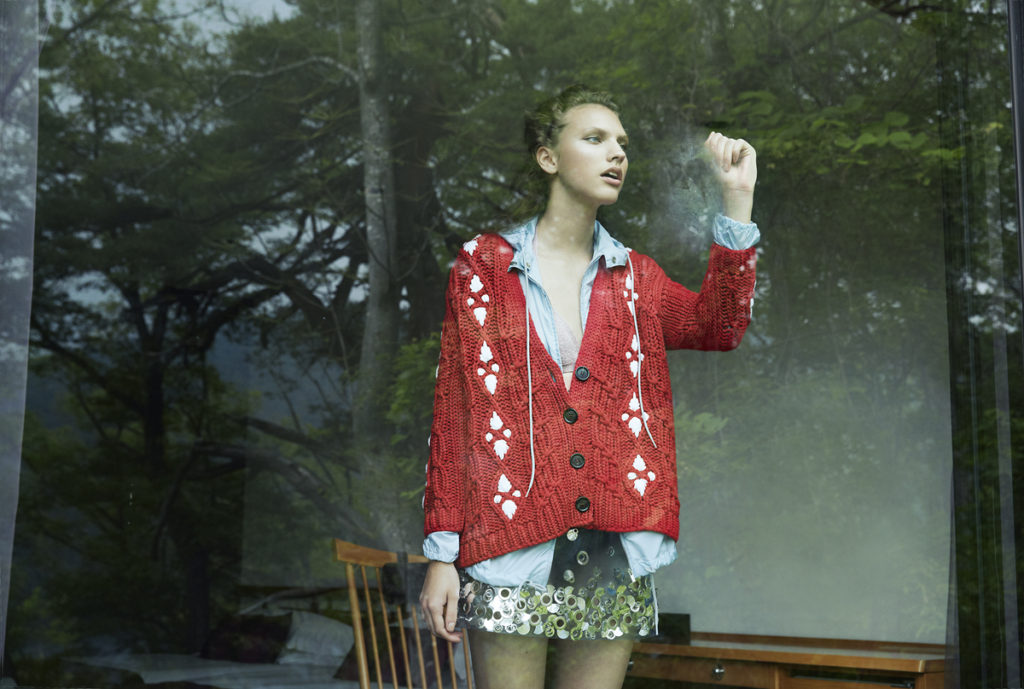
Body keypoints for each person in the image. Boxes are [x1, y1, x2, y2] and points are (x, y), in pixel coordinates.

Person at [419, 85, 759, 689]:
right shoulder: (485, 269)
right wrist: (442, 555)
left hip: (614, 545)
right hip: (509, 543)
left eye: (621, 143)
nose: (617, 154)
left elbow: (720, 326)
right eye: (595, 138)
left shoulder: (637, 278)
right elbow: (455, 413)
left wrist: (737, 198)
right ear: (548, 157)